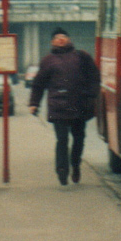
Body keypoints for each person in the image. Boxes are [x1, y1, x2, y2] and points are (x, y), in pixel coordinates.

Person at [28, 28, 100, 186]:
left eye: (63, 37)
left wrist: (91, 95)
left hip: (79, 104)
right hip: (58, 105)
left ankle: (75, 164)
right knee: (62, 139)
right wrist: (34, 103)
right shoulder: (48, 61)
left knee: (79, 138)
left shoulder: (82, 57)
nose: (60, 39)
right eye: (57, 37)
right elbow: (38, 84)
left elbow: (94, 77)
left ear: (69, 39)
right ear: (52, 42)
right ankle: (62, 170)